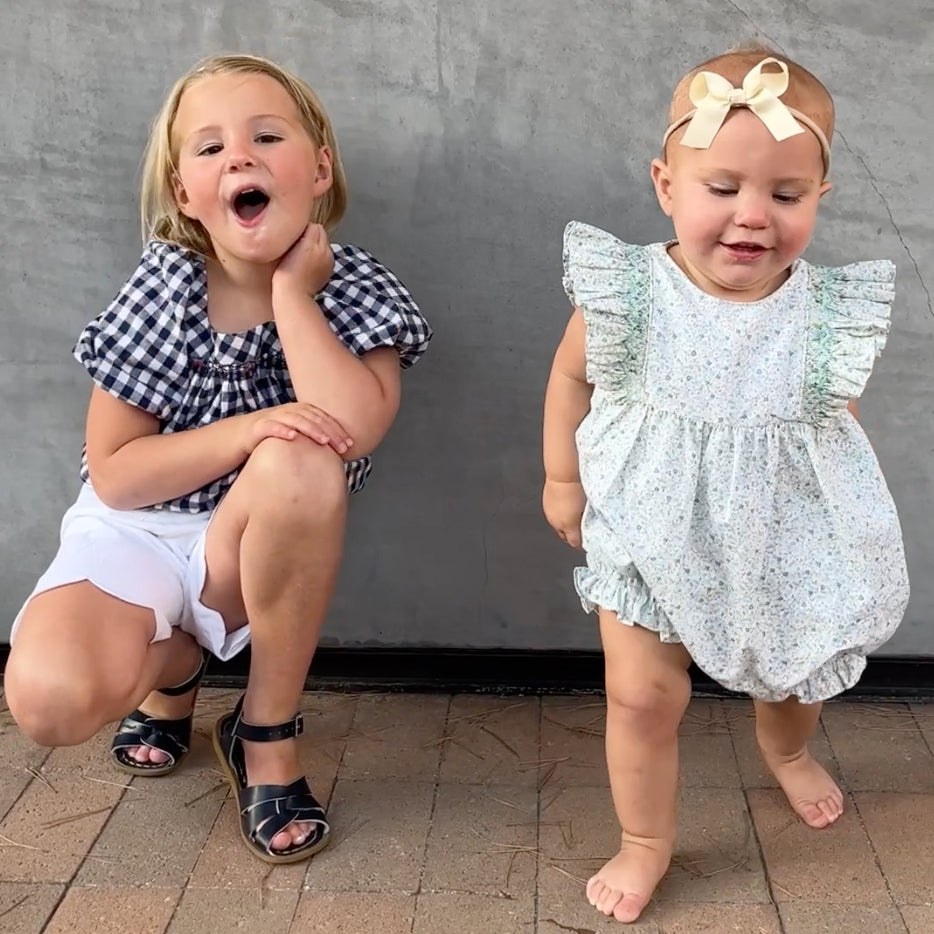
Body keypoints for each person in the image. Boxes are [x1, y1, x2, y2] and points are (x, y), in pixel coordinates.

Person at [5, 52, 431, 865]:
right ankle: (176, 667)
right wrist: (249, 427)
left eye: (266, 136)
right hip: (134, 533)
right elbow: (120, 472)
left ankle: (264, 729)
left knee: (305, 455)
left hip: (256, 540)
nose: (238, 155)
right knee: (49, 706)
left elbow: (353, 427)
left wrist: (290, 296)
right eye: (208, 149)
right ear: (185, 196)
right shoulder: (168, 288)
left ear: (318, 170)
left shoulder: (358, 289)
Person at [542, 46, 909, 923]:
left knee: (791, 678)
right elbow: (570, 380)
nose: (752, 216)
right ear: (668, 184)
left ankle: (784, 752)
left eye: (784, 195)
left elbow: (831, 421)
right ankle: (645, 840)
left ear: (818, 197)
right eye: (722, 189)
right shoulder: (627, 292)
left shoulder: (826, 312)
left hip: (781, 525)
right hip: (647, 519)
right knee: (640, 695)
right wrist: (562, 476)